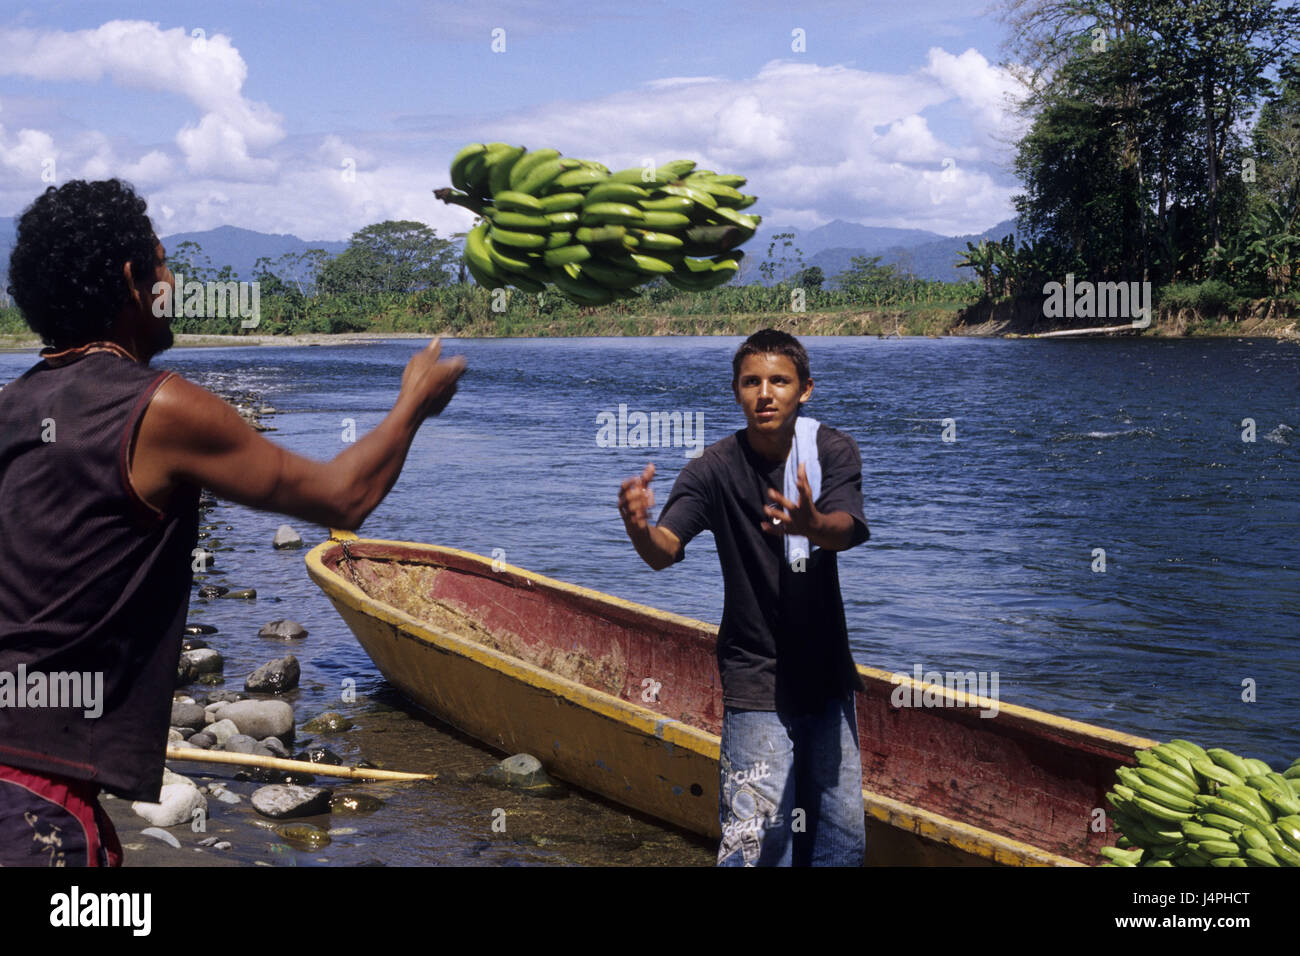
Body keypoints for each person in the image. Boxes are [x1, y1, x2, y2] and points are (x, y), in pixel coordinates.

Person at [0, 178, 465, 866]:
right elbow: (342, 498)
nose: (175, 281)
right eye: (163, 264)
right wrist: (411, 404)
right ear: (133, 281)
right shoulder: (159, 409)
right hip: (37, 806)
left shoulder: (12, 406)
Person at [617, 329, 869, 866]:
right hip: (755, 672)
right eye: (751, 382)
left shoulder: (829, 450)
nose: (765, 393)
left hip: (826, 673)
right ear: (736, 392)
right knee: (755, 843)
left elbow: (847, 528)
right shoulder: (713, 468)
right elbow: (665, 550)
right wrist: (638, 526)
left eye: (780, 380)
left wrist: (812, 523)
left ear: (805, 389)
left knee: (841, 842)